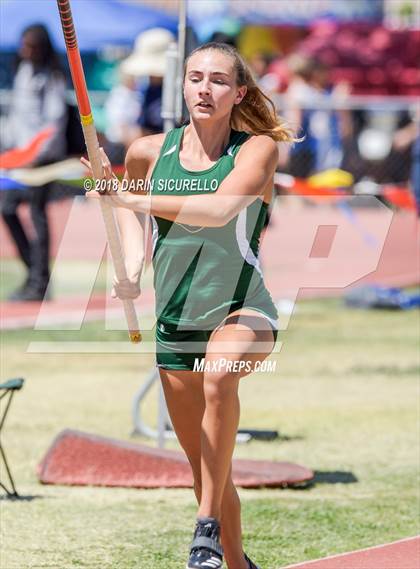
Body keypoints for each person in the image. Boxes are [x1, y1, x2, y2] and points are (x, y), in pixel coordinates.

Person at [82, 42, 294, 569]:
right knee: (207, 467)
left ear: (238, 92)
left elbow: (220, 209)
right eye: (195, 77)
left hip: (244, 309)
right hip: (176, 318)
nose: (205, 87)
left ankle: (203, 532)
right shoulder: (149, 152)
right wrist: (130, 270)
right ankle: (234, 561)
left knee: (221, 378)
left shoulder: (256, 150)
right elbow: (133, 224)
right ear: (181, 85)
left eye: (219, 80)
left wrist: (129, 198)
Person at [0, 24, 67, 301]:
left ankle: (39, 283)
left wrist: (34, 155)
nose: (24, 51)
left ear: (41, 48)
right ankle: (34, 273)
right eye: (23, 45)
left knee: (38, 215)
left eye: (30, 46)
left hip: (42, 160)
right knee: (7, 207)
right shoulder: (22, 72)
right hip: (19, 158)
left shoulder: (52, 77)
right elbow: (16, 118)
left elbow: (54, 122)